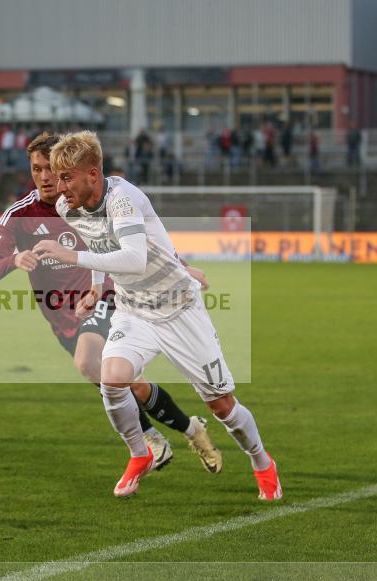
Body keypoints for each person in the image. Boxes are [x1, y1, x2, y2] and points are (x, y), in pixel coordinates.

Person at [33, 131, 281, 500]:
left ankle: (262, 462)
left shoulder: (123, 199)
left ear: (93, 174)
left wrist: (73, 258)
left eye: (66, 177)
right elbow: (98, 241)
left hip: (179, 308)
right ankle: (141, 452)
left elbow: (133, 258)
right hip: (134, 310)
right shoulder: (68, 207)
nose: (58, 184)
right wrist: (98, 286)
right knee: (112, 378)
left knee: (222, 405)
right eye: (55, 175)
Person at [0, 132, 222, 475]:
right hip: (62, 318)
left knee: (89, 362)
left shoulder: (88, 202)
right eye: (37, 169)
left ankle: (150, 441)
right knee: (129, 384)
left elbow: (142, 243)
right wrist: (14, 259)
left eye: (53, 170)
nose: (46, 178)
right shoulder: (20, 215)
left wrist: (180, 267)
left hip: (106, 298)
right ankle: (190, 430)